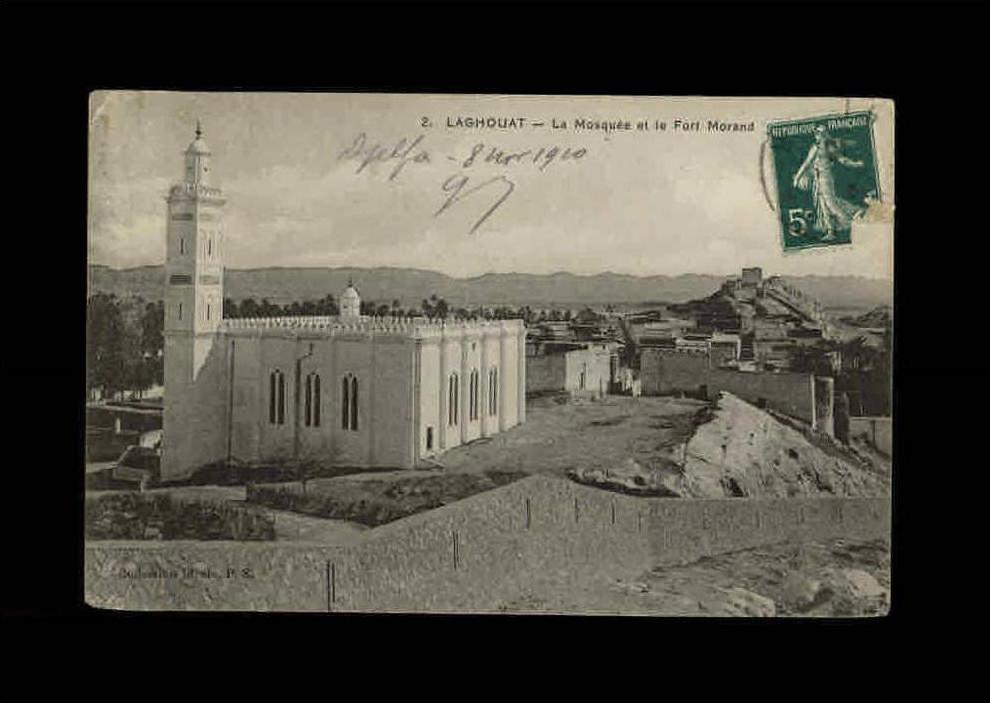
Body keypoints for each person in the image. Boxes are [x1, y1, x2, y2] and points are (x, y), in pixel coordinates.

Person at [793, 125, 866, 240]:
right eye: (818, 134)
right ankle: (830, 231)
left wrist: (855, 164)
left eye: (821, 134)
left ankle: (851, 223)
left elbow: (842, 160)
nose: (819, 136)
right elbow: (807, 163)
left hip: (825, 178)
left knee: (831, 204)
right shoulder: (816, 147)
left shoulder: (828, 147)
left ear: (824, 135)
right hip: (818, 179)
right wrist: (798, 177)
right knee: (823, 206)